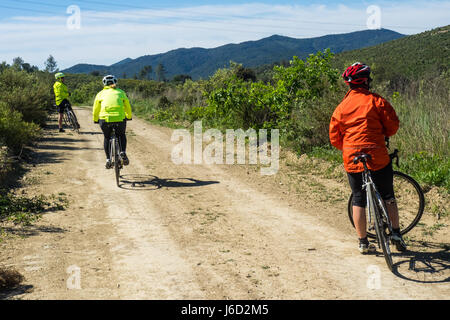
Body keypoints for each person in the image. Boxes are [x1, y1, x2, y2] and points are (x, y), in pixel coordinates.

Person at [329, 62, 407, 254]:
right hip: (377, 155)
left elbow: (334, 138)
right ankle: (396, 233)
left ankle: (363, 242)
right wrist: (381, 135)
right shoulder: (377, 101)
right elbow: (393, 126)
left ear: (349, 84)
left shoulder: (341, 108)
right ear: (366, 81)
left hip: (353, 157)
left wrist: (348, 147)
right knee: (388, 195)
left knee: (358, 198)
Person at [93, 75, 132, 169]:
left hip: (104, 119)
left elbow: (95, 109)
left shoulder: (100, 94)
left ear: (104, 84)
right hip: (119, 118)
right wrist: (129, 116)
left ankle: (108, 159)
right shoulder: (121, 92)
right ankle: (122, 152)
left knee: (107, 137)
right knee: (121, 134)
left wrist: (95, 119)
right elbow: (127, 105)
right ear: (115, 82)